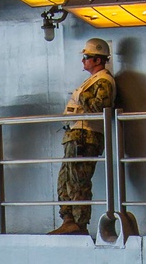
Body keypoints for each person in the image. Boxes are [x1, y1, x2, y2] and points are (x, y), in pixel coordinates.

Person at [50, 36, 116, 234]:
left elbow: (100, 108)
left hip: (85, 137)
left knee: (78, 181)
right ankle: (68, 220)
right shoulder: (92, 81)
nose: (83, 60)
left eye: (86, 57)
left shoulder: (103, 80)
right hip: (76, 135)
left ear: (97, 59)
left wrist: (81, 95)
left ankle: (79, 224)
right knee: (65, 180)